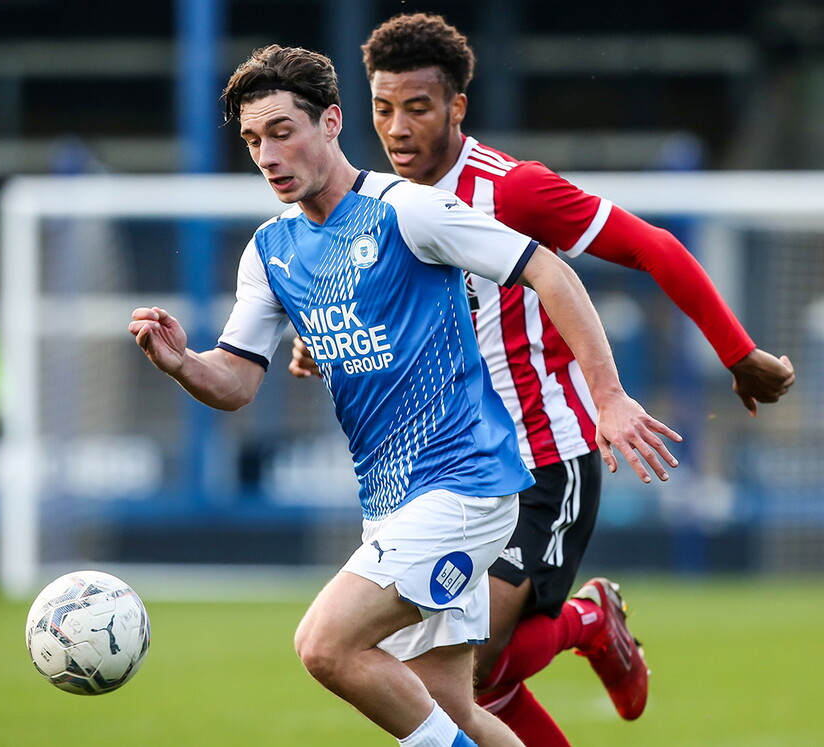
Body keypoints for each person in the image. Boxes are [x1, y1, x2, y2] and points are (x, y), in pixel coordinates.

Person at [130, 44, 682, 747]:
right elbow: (236, 381)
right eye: (251, 140)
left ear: (331, 122)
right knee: (455, 709)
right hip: (394, 506)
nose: (267, 154)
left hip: (466, 488)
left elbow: (549, 270)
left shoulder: (408, 211)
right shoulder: (270, 252)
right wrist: (182, 363)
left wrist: (608, 398)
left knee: (324, 644)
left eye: (281, 131)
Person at [288, 13, 796, 745]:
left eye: (419, 107)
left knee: (480, 664)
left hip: (544, 459)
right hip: (450, 473)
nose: (397, 128)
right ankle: (586, 624)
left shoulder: (512, 190)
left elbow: (653, 246)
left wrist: (737, 350)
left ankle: (588, 620)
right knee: (458, 681)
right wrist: (319, 344)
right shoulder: (377, 208)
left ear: (458, 106)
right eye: (383, 108)